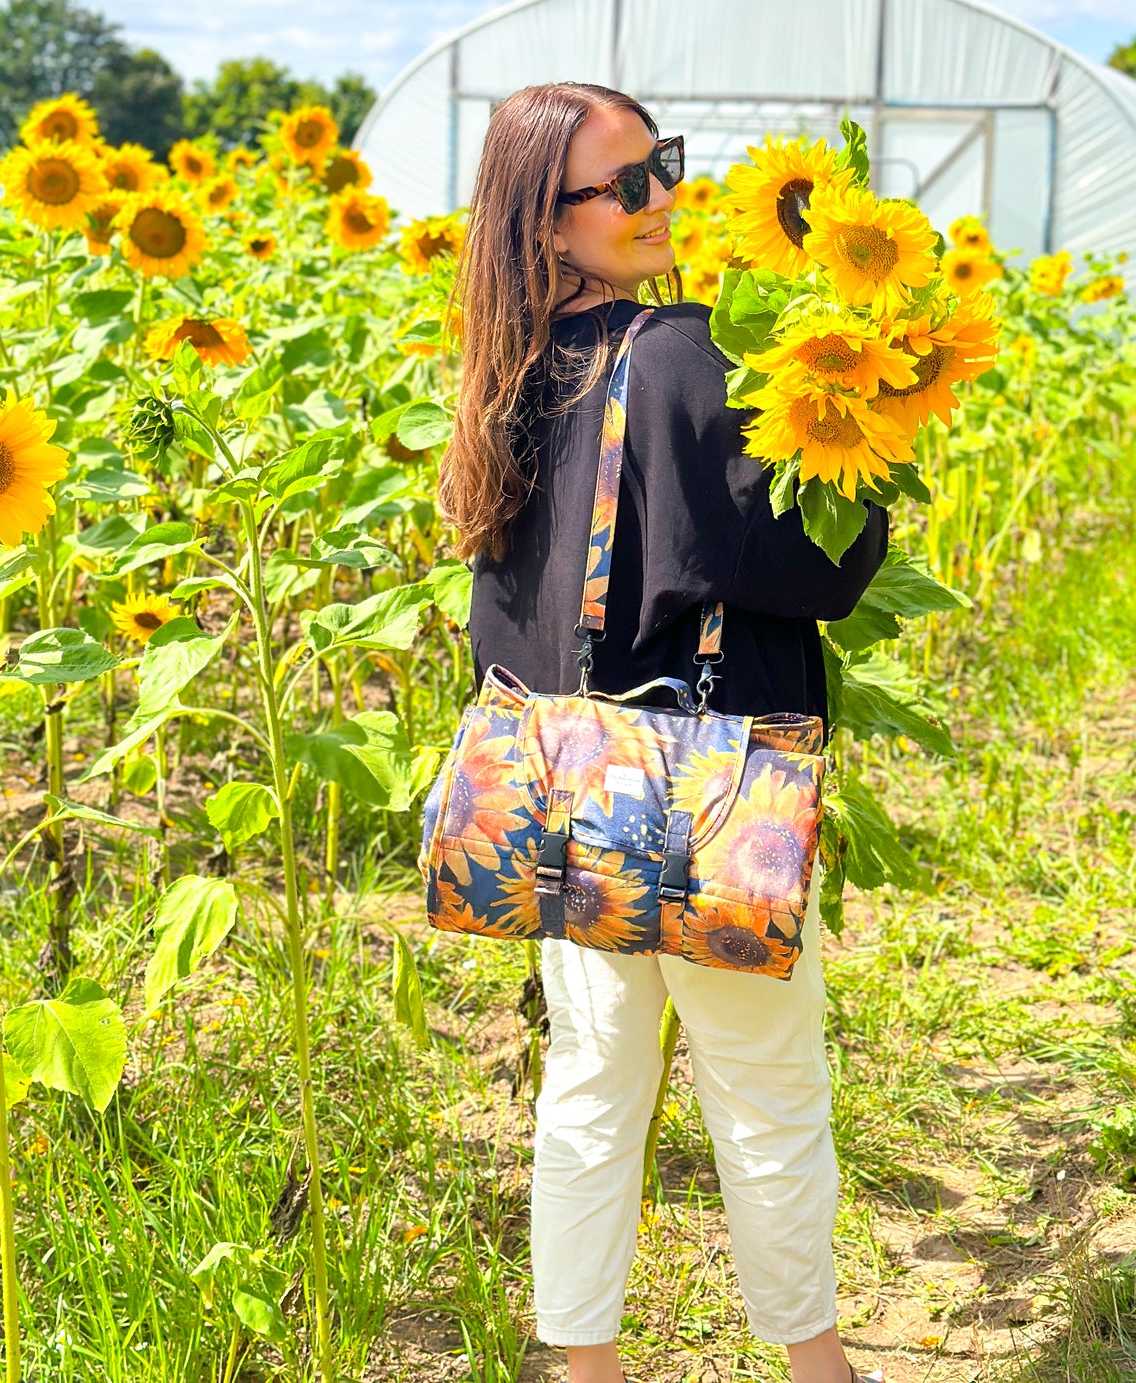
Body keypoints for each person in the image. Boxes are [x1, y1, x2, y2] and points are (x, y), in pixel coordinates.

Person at [439, 81, 887, 1383]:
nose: (659, 202)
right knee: (764, 1094)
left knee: (587, 1091)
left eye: (664, 168)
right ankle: (817, 1368)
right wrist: (862, 456)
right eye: (619, 187)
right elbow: (808, 571)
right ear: (543, 223)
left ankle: (585, 1372)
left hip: (567, 786)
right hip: (701, 783)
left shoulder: (507, 375)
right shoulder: (685, 356)